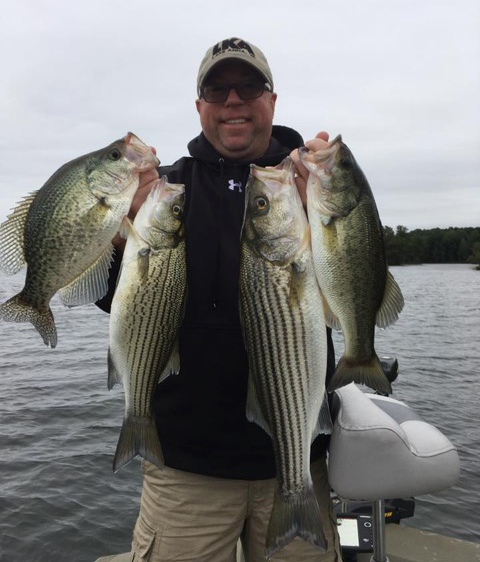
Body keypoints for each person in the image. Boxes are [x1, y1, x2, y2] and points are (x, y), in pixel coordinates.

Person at [97, 37, 342, 562]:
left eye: (248, 87)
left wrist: (330, 211)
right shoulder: (168, 191)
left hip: (294, 458)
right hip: (185, 469)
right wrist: (122, 237)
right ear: (200, 106)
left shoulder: (307, 187)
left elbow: (351, 293)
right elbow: (117, 303)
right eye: (217, 89)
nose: (234, 100)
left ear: (271, 101)